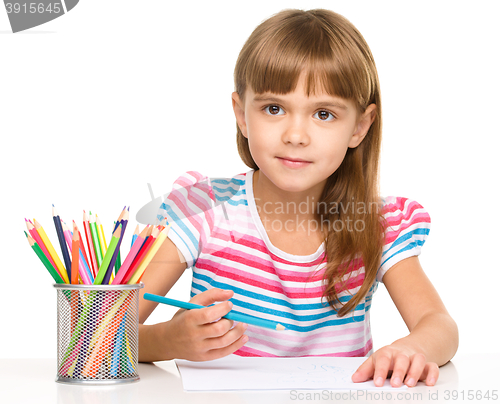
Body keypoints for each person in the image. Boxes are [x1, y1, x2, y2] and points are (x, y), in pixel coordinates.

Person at [138, 8, 458, 388]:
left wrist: (412, 348)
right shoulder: (204, 208)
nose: (295, 135)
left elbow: (439, 325)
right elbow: (99, 335)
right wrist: (165, 341)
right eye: (274, 109)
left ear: (360, 126)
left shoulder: (378, 224)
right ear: (242, 114)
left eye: (323, 114)